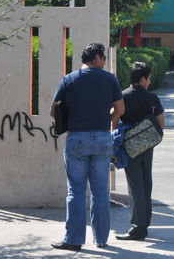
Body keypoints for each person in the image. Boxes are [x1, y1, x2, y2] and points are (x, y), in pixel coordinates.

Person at [50, 43, 125, 251]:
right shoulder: (109, 79)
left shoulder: (69, 79)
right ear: (98, 58)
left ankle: (74, 240)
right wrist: (108, 118)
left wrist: (71, 120)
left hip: (77, 138)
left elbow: (53, 110)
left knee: (76, 189)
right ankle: (101, 239)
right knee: (100, 191)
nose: (104, 62)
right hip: (102, 138)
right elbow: (120, 108)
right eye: (103, 58)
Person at [115, 62, 165, 241]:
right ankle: (145, 222)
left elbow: (114, 118)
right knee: (146, 184)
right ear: (143, 79)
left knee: (135, 185)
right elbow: (161, 125)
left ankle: (138, 227)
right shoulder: (152, 98)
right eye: (149, 78)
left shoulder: (122, 96)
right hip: (147, 147)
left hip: (129, 148)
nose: (149, 82)